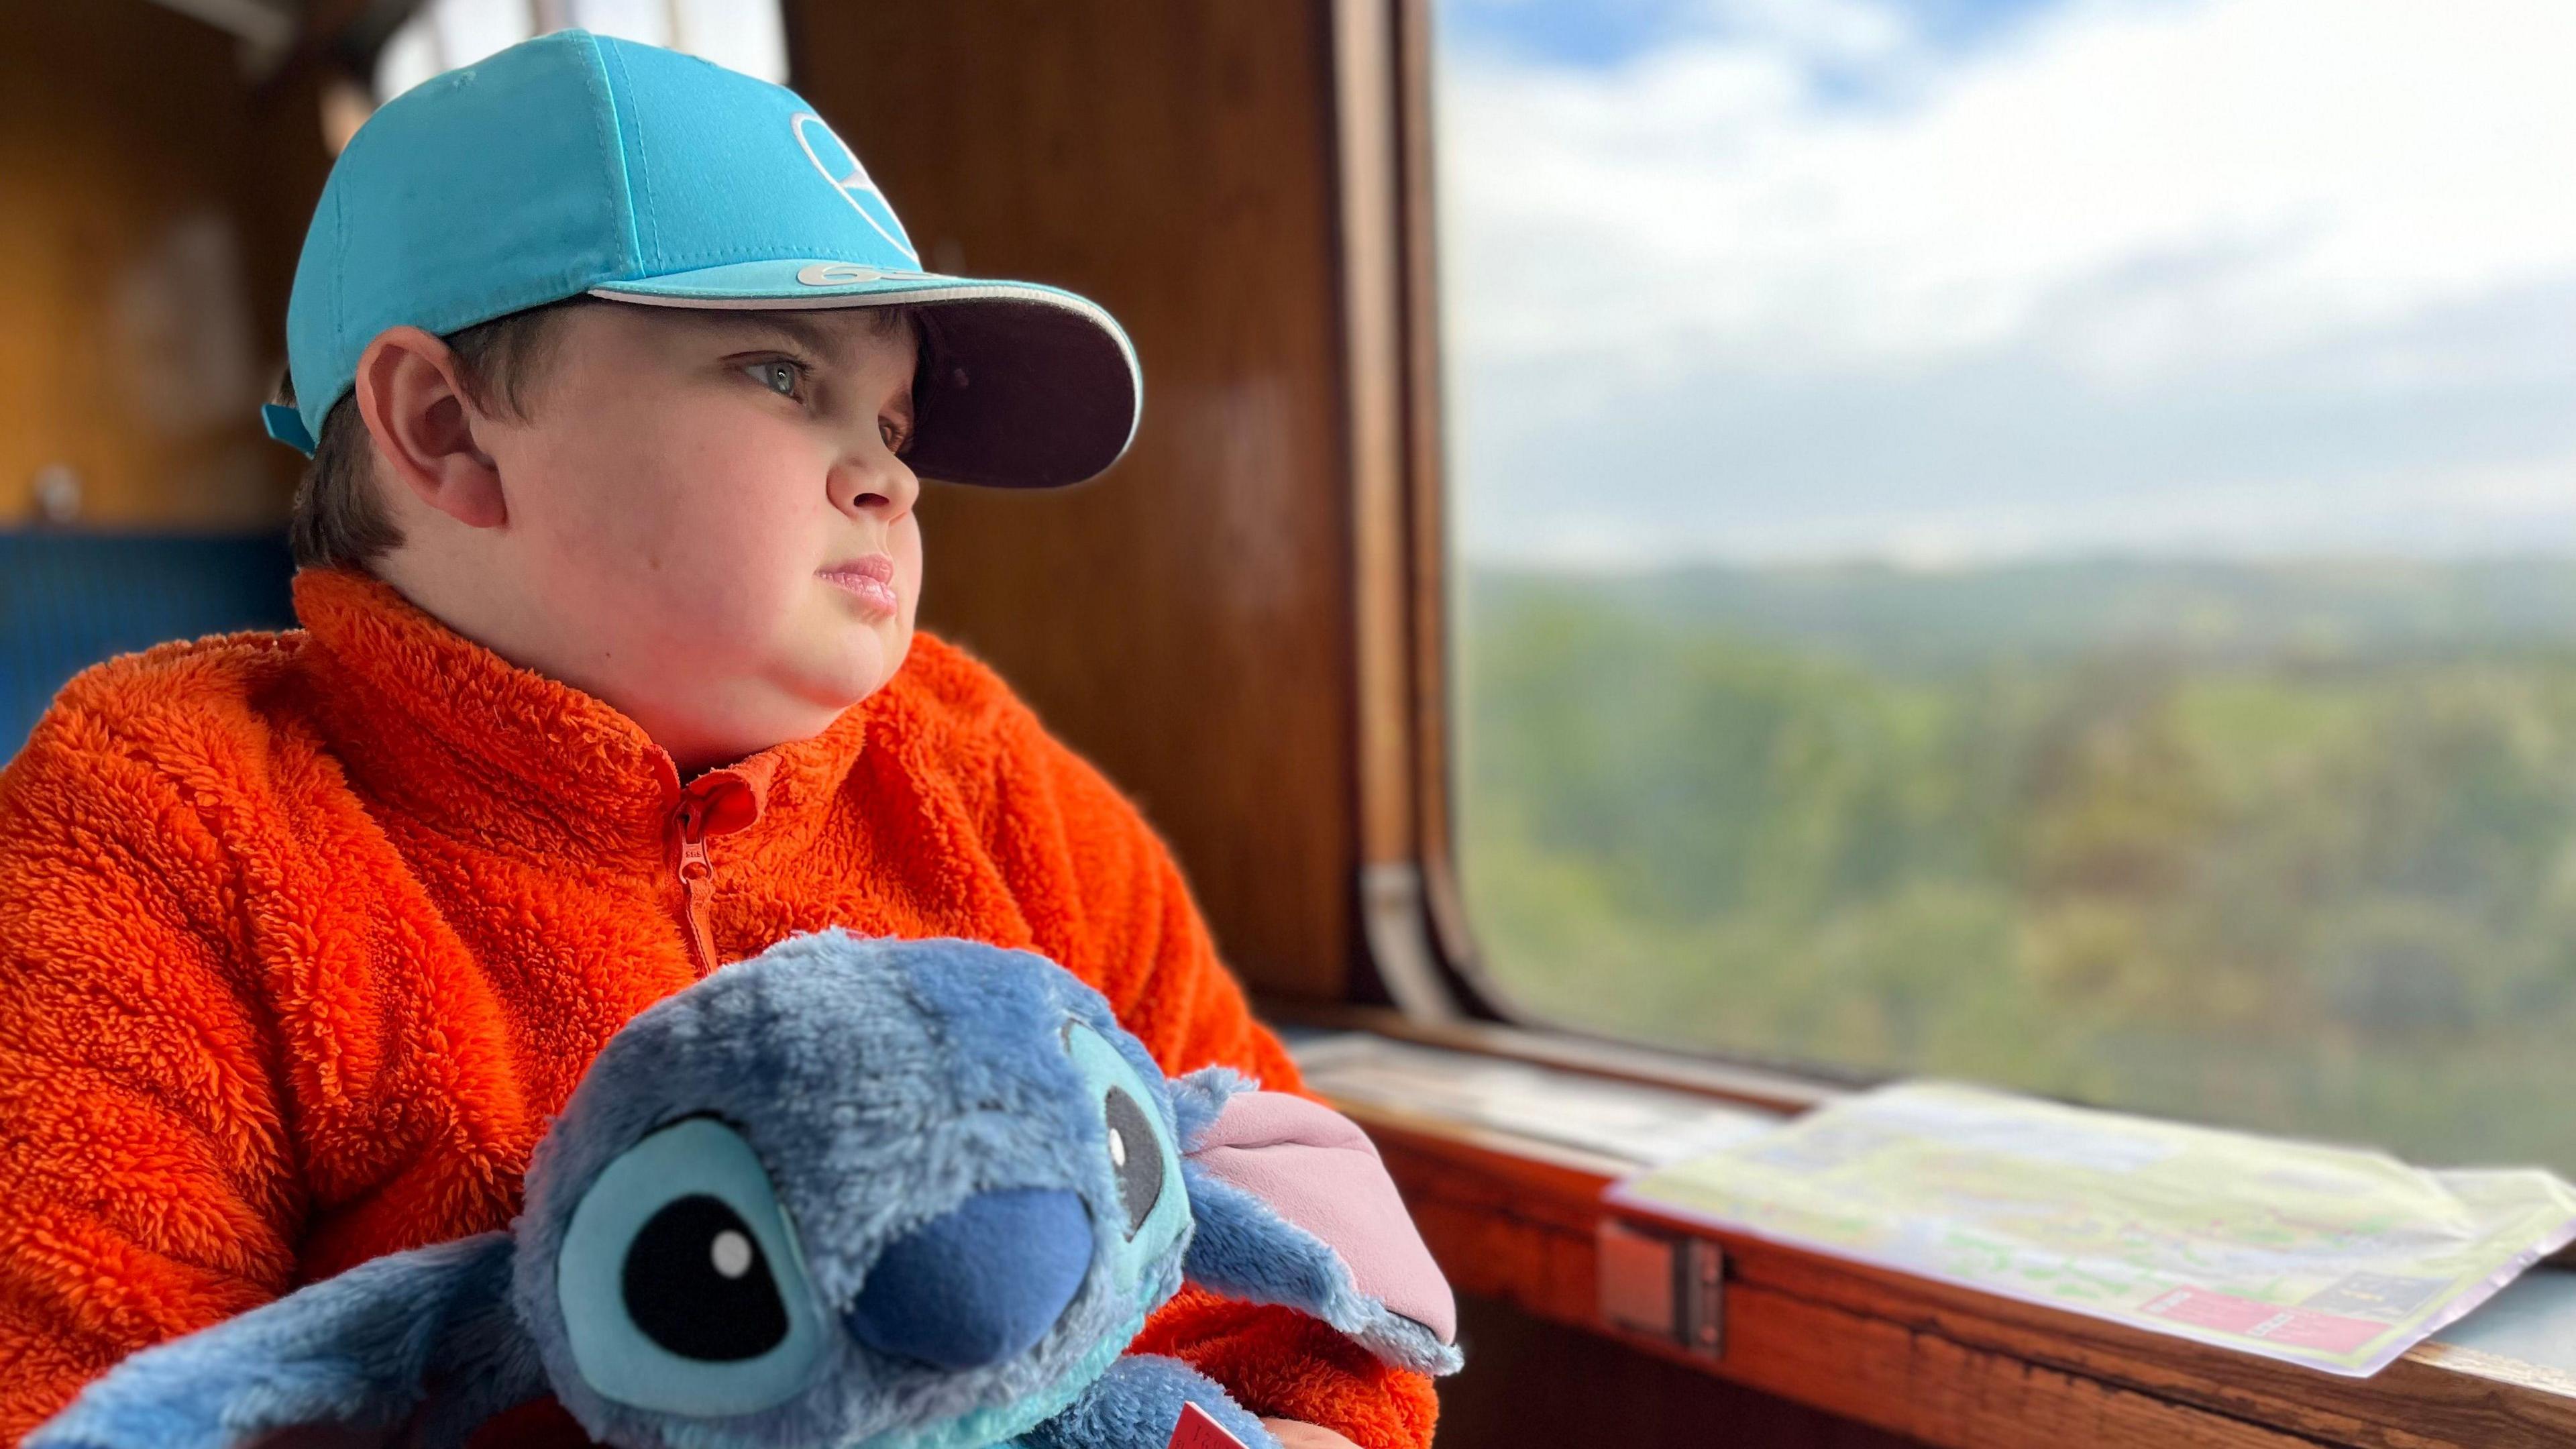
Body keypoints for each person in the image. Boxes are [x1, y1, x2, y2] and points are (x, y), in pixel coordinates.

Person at [0, 30, 1433, 1449]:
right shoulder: (170, 815)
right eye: (780, 373)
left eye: (894, 415)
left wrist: (1314, 1429)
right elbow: (82, 1394)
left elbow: (1294, 1244)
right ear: (447, 431)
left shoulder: (985, 780)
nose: (886, 474)